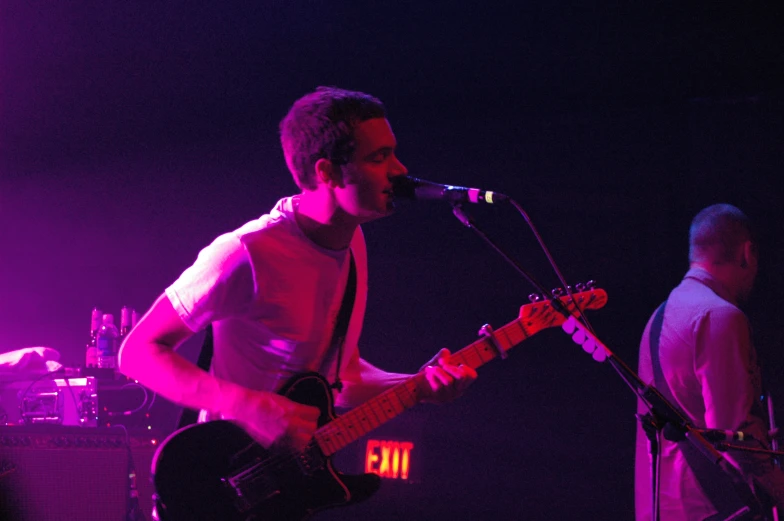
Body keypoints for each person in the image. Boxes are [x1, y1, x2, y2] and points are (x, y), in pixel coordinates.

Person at [117, 86, 477, 455]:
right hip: (224, 473)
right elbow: (137, 353)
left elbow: (342, 378)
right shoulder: (247, 251)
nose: (399, 170)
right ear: (327, 173)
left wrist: (417, 386)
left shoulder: (353, 242)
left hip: (288, 481)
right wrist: (249, 407)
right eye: (379, 157)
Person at [635, 203, 784, 520]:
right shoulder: (721, 316)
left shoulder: (658, 317)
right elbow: (733, 436)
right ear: (747, 252)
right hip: (714, 508)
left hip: (661, 506)